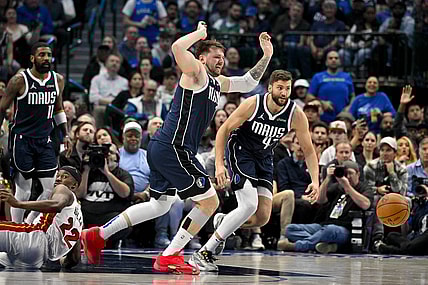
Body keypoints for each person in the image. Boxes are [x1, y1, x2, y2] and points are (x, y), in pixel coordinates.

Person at [81, 22, 274, 274]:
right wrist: (200, 35)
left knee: (160, 205)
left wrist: (267, 55)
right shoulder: (196, 72)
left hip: (166, 147)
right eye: (216, 57)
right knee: (209, 202)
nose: (221, 61)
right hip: (173, 147)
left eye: (223, 58)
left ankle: (98, 236)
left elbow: (247, 83)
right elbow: (176, 47)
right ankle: (170, 255)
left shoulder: (217, 83)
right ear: (202, 59)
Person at [192, 70, 320, 271]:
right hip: (241, 151)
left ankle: (224, 221)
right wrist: (219, 164)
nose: (284, 93)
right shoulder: (253, 104)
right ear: (270, 88)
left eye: (287, 88)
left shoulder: (296, 114)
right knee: (249, 204)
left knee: (262, 217)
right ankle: (204, 252)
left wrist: (315, 180)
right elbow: (224, 130)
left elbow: (310, 151)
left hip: (264, 158)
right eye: (279, 88)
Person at [0, 42, 71, 224]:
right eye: (42, 55)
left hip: (45, 139)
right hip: (22, 140)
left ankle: (30, 222)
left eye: (48, 55)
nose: (46, 58)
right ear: (32, 58)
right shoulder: (19, 80)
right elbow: (2, 108)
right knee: (24, 189)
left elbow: (58, 109)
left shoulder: (58, 80)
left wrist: (66, 134)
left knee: (49, 189)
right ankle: (17, 228)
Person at [0, 166, 83, 269]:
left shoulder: (63, 189)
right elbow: (74, 259)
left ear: (74, 185)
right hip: (38, 259)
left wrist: (18, 204)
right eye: (57, 175)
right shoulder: (79, 219)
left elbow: (57, 205)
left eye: (64, 176)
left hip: (34, 237)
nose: (58, 179)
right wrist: (62, 262)